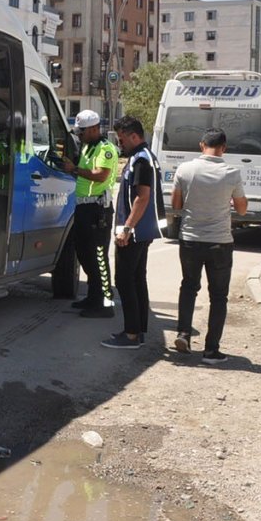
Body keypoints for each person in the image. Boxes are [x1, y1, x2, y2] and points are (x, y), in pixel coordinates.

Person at [170, 127, 247, 363]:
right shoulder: (232, 172)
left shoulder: (185, 169)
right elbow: (242, 208)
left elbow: (176, 205)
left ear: (201, 145)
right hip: (220, 242)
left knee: (189, 287)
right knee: (219, 296)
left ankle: (183, 333)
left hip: (191, 239)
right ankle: (211, 350)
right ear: (224, 148)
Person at [101, 116, 162, 350]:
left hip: (134, 233)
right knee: (137, 280)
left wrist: (126, 228)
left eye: (122, 139)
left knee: (125, 281)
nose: (120, 144)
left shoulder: (141, 161)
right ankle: (138, 330)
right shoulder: (141, 157)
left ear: (134, 136)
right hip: (140, 232)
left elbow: (142, 197)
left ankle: (131, 335)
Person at [62, 110, 119, 316]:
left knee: (98, 257)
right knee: (84, 253)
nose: (80, 136)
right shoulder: (87, 148)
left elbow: (101, 175)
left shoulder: (106, 149)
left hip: (98, 209)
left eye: (82, 132)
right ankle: (93, 297)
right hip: (84, 207)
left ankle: (105, 305)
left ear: (94, 129)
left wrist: (74, 170)